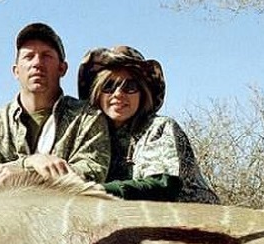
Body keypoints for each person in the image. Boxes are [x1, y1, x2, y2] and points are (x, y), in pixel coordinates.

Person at [0, 22, 110, 201]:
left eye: (46, 56)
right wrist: (30, 163)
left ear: (62, 68)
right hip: (5, 216)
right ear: (16, 71)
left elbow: (91, 175)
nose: (37, 63)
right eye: (28, 56)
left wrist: (20, 172)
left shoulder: (88, 118)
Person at [77, 45, 219, 203]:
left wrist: (93, 191)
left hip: (188, 215)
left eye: (130, 87)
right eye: (108, 86)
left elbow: (162, 185)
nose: (118, 94)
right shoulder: (89, 137)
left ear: (143, 94)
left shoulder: (160, 127)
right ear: (97, 93)